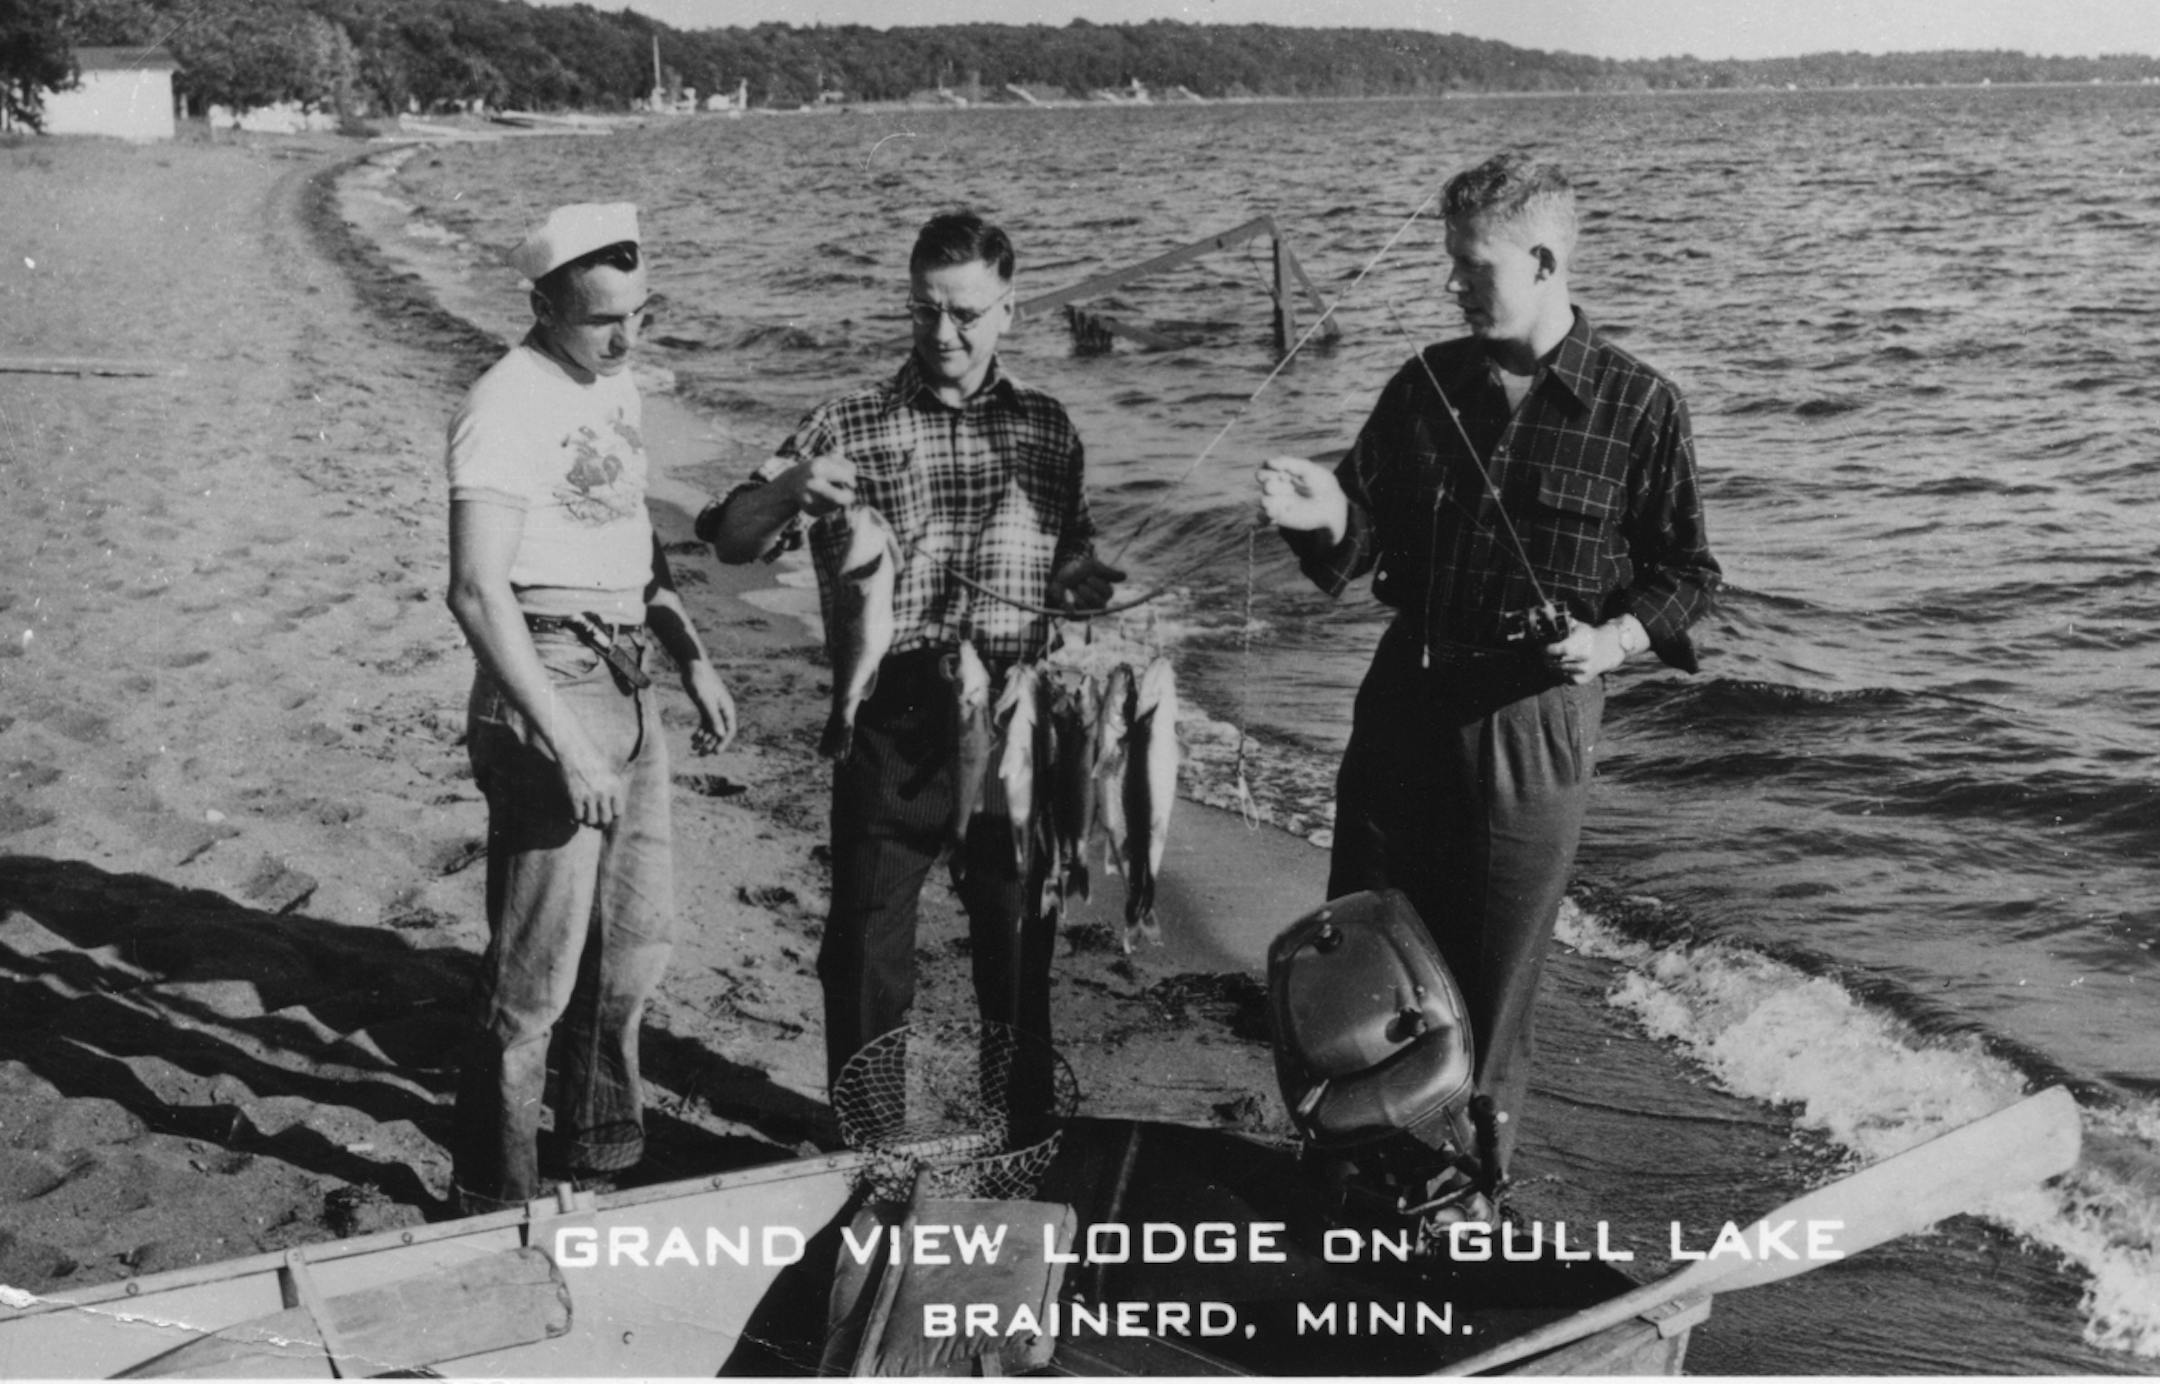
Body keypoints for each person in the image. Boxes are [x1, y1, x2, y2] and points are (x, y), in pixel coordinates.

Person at [1258, 153, 1720, 1208]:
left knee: (1487, 981)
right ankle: (1353, 1175)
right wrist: (1321, 514)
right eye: (1449, 263)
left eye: (1474, 266)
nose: (1453, 286)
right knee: (1365, 962)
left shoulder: (1642, 406)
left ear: (1546, 261)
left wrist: (1611, 644)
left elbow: (1688, 577)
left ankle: (1472, 1198)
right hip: (1403, 705)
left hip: (1533, 727)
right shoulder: (1421, 384)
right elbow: (1360, 528)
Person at [699, 210, 1120, 1108]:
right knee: (864, 944)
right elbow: (731, 541)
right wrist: (787, 489)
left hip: (1012, 718)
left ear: (1009, 309)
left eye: (966, 314)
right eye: (925, 310)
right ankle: (870, 1138)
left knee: (1017, 947)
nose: (943, 334)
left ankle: (1021, 1132)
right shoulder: (848, 420)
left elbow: (1073, 553)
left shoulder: (1050, 429)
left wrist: (1081, 580)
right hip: (890, 710)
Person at [444, 201, 735, 1213]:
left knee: (633, 942)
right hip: (550, 683)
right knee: (534, 977)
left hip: (629, 674)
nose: (625, 339)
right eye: (601, 319)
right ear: (541, 304)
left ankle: (601, 1148)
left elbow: (626, 536)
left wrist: (688, 649)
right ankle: (496, 1188)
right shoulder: (504, 402)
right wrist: (564, 744)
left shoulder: (616, 382)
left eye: (640, 314)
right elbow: (478, 591)